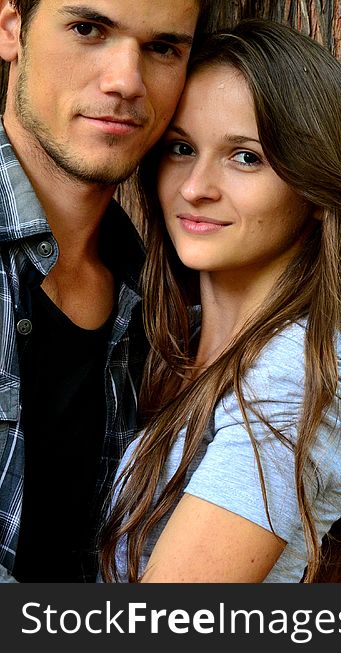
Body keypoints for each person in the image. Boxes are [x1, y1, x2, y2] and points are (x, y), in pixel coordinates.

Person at [99, 19, 341, 583]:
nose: (196, 186)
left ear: (315, 190)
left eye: (246, 158)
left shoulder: (293, 373)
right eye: (182, 148)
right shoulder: (166, 342)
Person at [0, 0, 211, 582]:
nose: (125, 82)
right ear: (11, 28)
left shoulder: (162, 301)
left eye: (163, 48)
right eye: (88, 29)